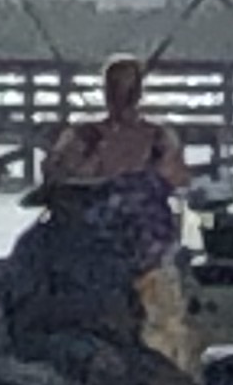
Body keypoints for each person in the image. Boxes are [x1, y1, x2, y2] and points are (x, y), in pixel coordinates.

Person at [0, 177, 195, 385]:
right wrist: (87, 315)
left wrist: (125, 322)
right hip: (51, 340)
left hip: (115, 341)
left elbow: (131, 301)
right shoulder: (34, 247)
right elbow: (28, 313)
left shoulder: (108, 247)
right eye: (75, 198)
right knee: (108, 368)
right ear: (55, 201)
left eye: (88, 198)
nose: (83, 206)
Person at [45, 52, 191, 356]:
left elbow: (179, 180)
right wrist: (93, 155)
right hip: (94, 258)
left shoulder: (159, 137)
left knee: (164, 334)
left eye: (128, 89)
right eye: (115, 89)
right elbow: (54, 179)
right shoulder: (83, 135)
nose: (122, 98)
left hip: (150, 259)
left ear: (139, 92)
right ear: (104, 91)